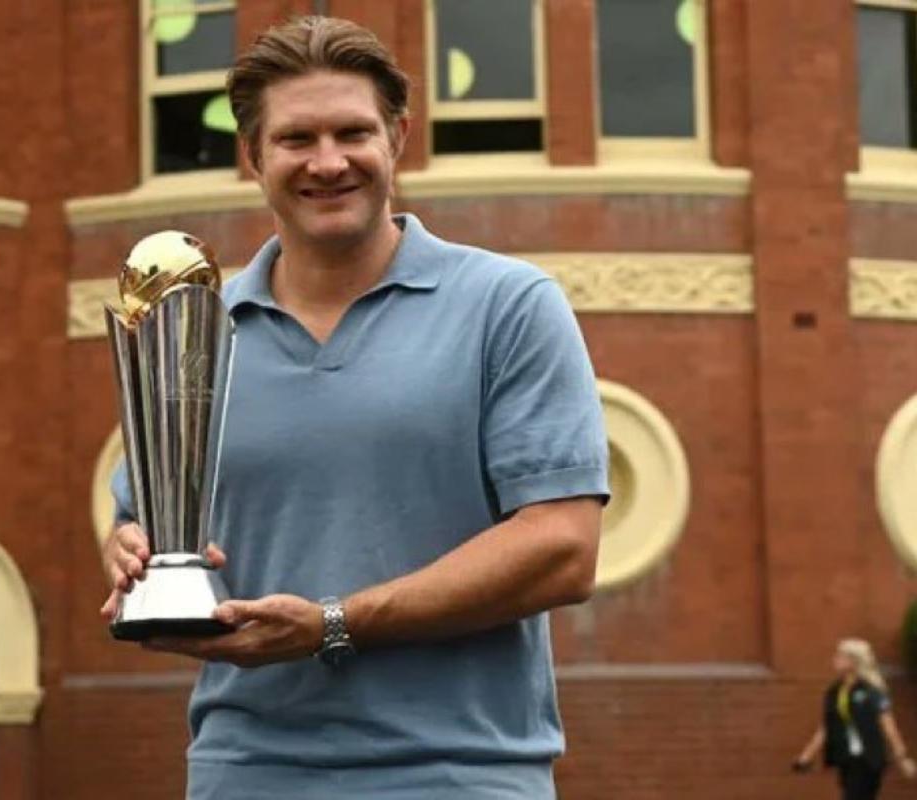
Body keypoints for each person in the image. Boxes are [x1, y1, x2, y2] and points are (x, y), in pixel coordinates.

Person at [101, 15, 609, 799]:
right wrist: (132, 553)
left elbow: (563, 548)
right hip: (245, 772)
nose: (328, 162)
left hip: (459, 774)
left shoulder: (506, 305)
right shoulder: (193, 332)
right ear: (253, 157)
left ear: (397, 138)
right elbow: (154, 525)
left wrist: (332, 623)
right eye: (297, 139)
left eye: (353, 133)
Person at [793, 638, 917, 800]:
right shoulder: (835, 691)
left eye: (841, 655)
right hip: (846, 757)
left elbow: (888, 725)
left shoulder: (870, 690)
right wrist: (807, 756)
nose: (835, 658)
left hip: (868, 758)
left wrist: (902, 758)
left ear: (854, 661)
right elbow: (827, 726)